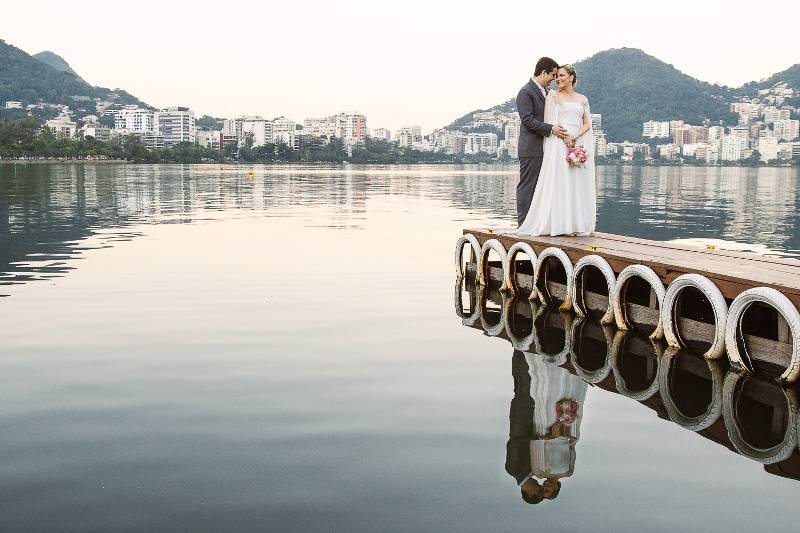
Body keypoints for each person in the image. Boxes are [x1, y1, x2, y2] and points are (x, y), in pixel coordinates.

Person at [515, 65, 597, 236]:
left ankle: (573, 223)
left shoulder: (582, 98)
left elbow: (587, 124)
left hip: (575, 143)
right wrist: (566, 138)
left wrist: (575, 137)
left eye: (561, 76)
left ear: (571, 77)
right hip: (559, 144)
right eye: (556, 76)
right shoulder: (553, 96)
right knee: (560, 183)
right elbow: (551, 122)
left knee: (575, 183)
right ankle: (557, 224)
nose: (557, 79)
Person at [515, 57, 570, 227]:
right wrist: (551, 128)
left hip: (544, 148)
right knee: (528, 187)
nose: (555, 79)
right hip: (531, 148)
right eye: (553, 75)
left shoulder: (543, 91)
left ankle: (536, 223)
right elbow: (527, 120)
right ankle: (523, 224)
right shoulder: (526, 92)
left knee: (540, 187)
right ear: (544, 72)